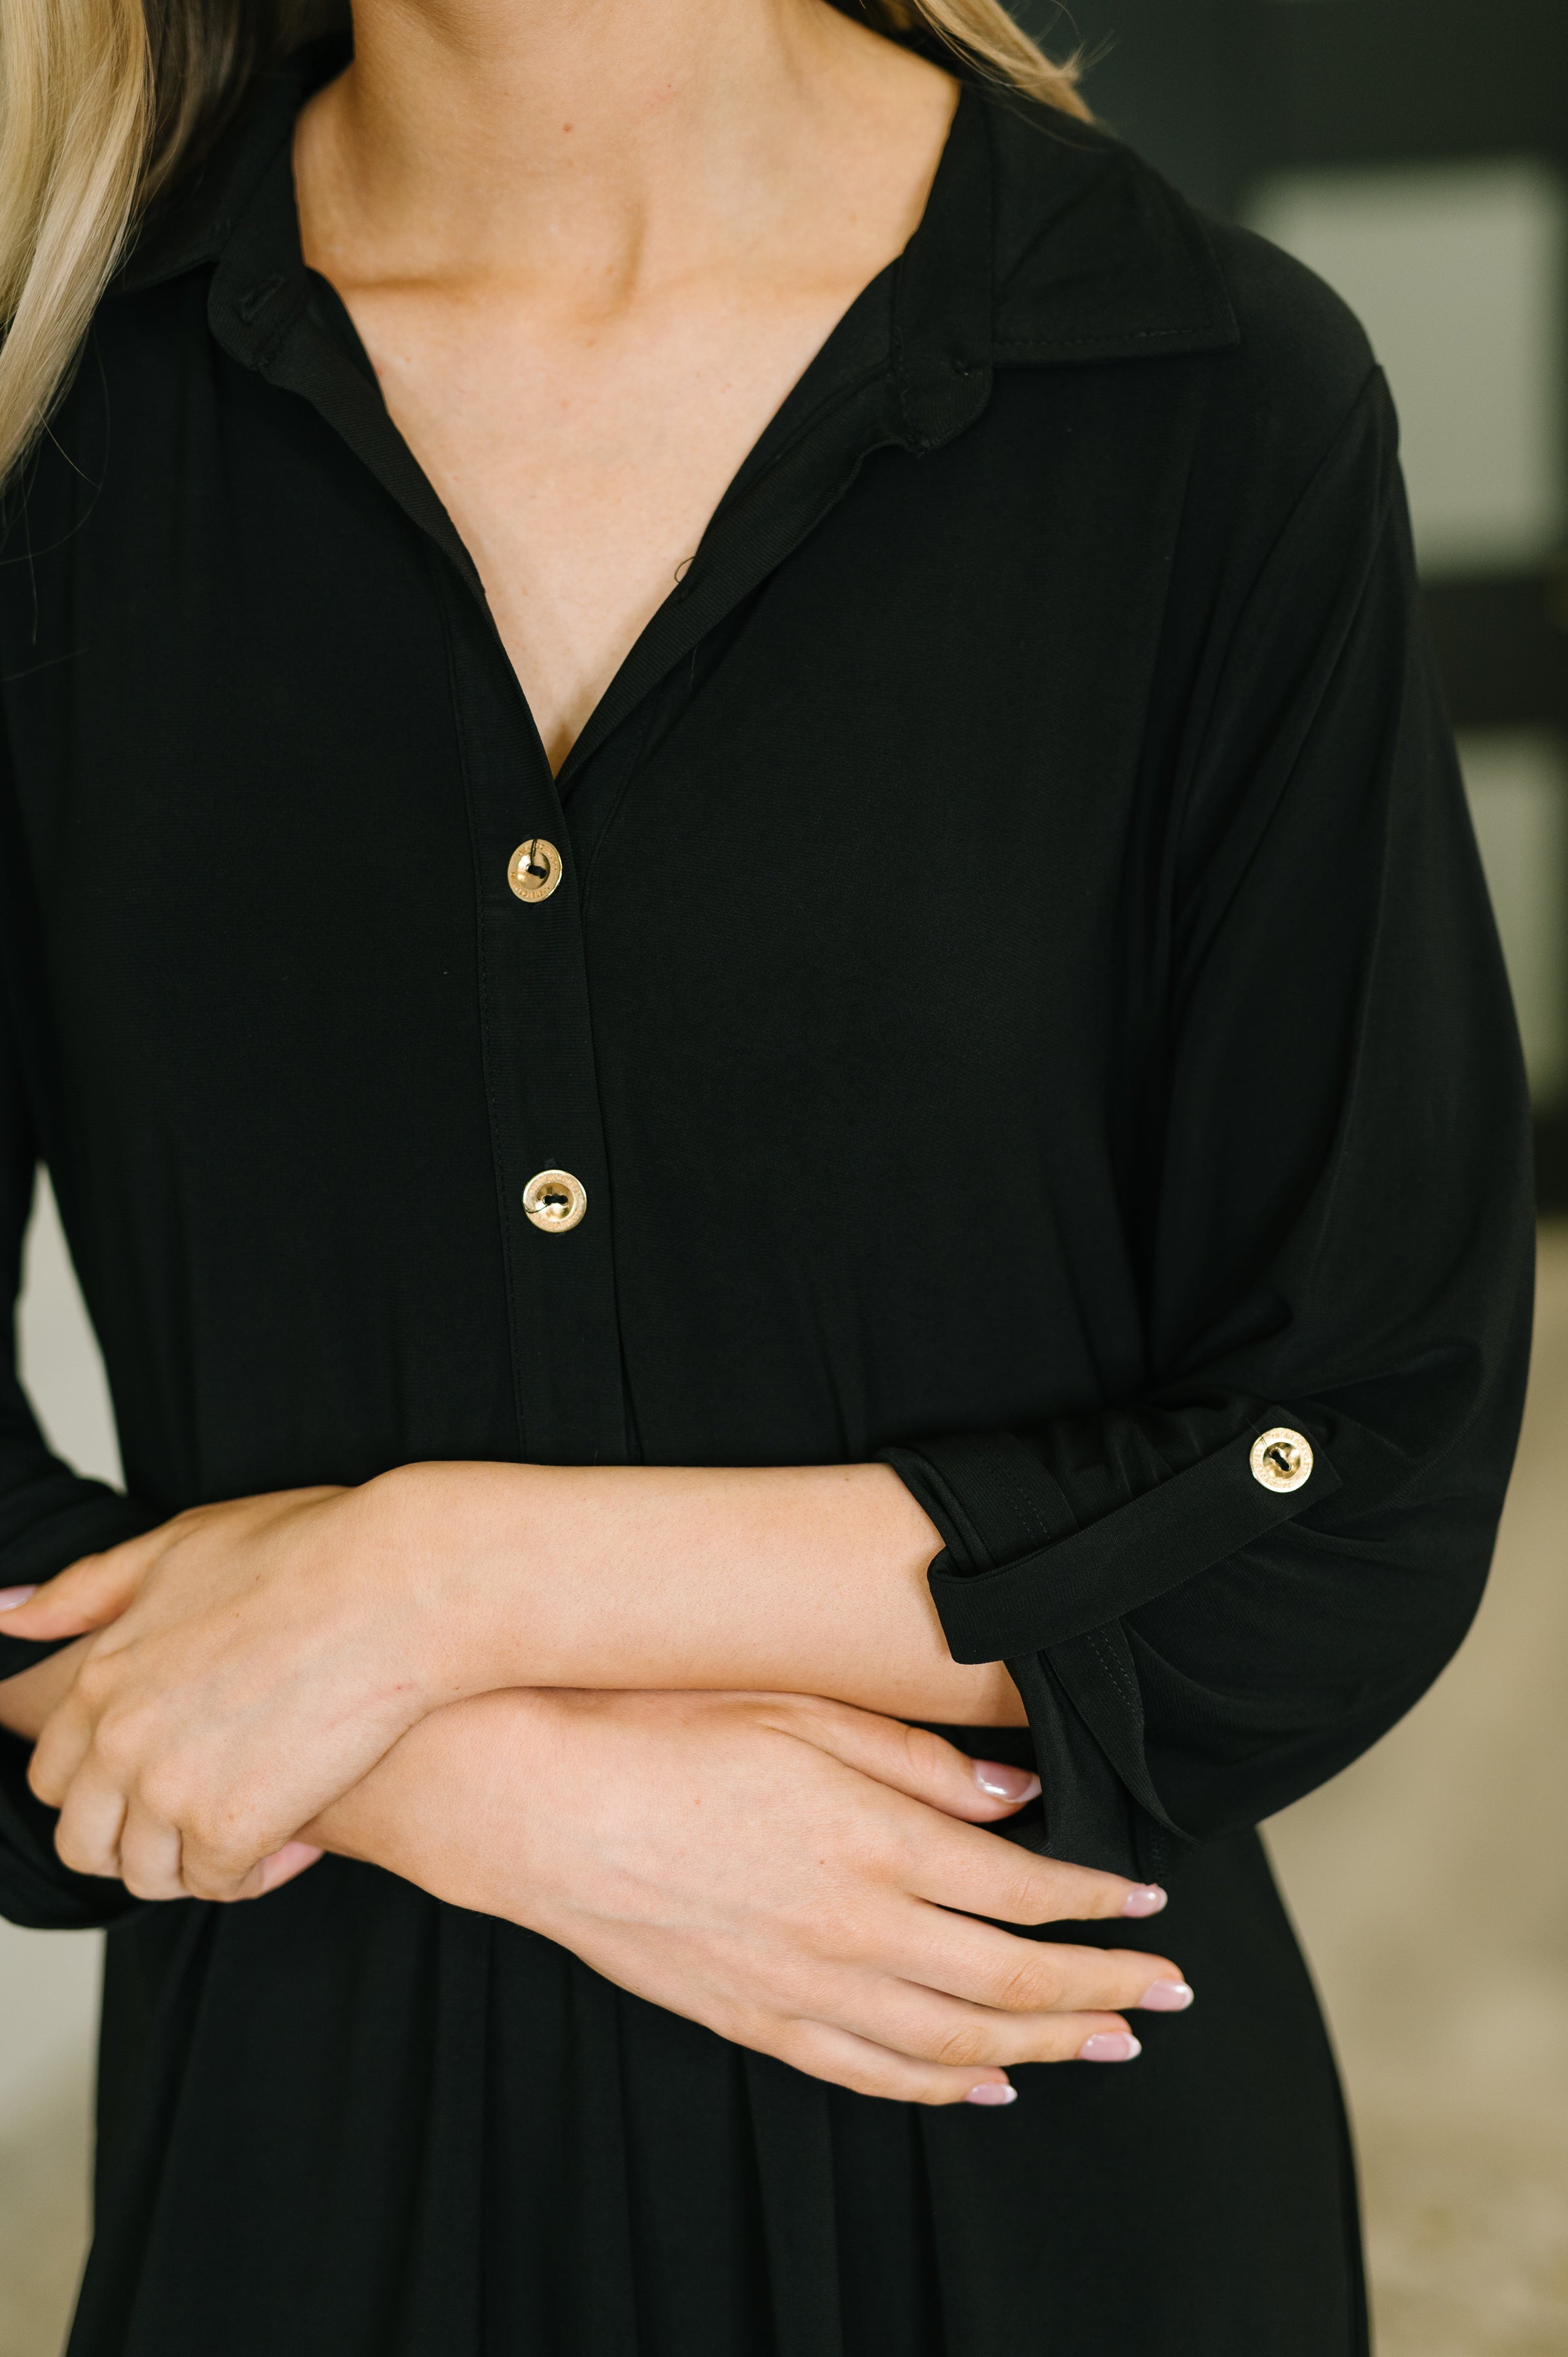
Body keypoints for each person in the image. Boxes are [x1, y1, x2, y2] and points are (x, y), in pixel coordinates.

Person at [0, 0, 1533, 2348]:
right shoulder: (56, 430)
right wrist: (496, 1793)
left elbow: (1341, 1481)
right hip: (310, 2203)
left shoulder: (1205, 399)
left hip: (1040, 2168)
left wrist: (435, 1584)